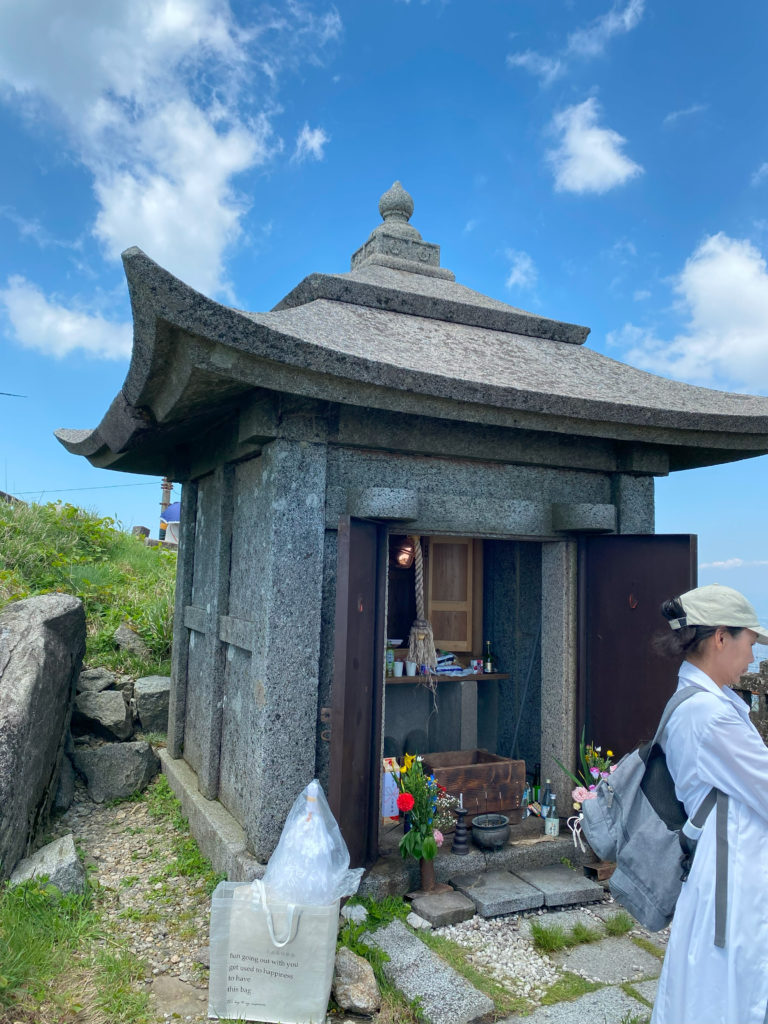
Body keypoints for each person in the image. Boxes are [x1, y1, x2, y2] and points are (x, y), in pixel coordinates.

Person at [651, 583, 768, 1024]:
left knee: (709, 994)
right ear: (721, 637)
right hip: (734, 874)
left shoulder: (701, 703)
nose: (753, 657)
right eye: (750, 642)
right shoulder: (709, 715)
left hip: (726, 865)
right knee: (724, 997)